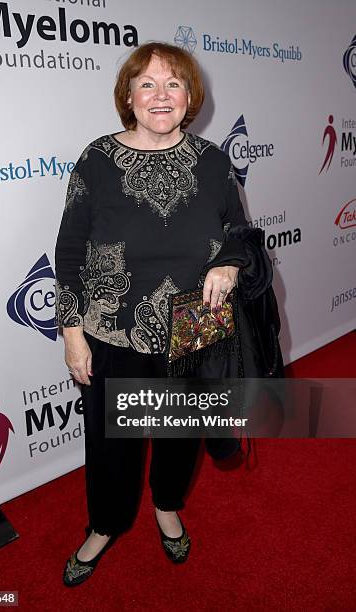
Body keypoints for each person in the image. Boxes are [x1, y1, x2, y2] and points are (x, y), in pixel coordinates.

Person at [55, 41, 250, 587]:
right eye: (147, 84)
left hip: (193, 330)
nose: (160, 95)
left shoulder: (213, 162)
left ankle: (166, 506)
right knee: (113, 442)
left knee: (178, 437)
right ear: (129, 97)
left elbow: (241, 237)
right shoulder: (96, 159)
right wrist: (73, 336)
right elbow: (69, 254)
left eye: (173, 84)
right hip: (113, 331)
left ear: (190, 96)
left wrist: (230, 267)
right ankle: (106, 524)